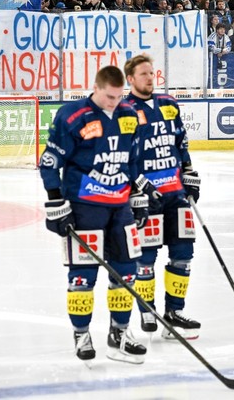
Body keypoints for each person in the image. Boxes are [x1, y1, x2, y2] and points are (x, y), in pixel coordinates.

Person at [39, 65, 148, 364]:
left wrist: (137, 194)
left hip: (120, 205)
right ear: (97, 88)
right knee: (83, 276)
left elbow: (133, 160)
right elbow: (49, 162)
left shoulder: (128, 115)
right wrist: (55, 200)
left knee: (126, 272)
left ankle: (120, 333)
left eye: (119, 96)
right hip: (85, 205)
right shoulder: (72, 116)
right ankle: (81, 334)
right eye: (109, 96)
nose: (115, 102)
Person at [124, 55, 202, 340]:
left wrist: (189, 171)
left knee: (183, 255)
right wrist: (137, 189)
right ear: (130, 79)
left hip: (175, 194)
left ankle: (173, 311)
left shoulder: (168, 104)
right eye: (143, 74)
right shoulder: (124, 110)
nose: (150, 77)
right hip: (147, 198)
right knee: (146, 257)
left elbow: (180, 141)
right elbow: (123, 157)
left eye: (151, 73)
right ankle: (148, 309)